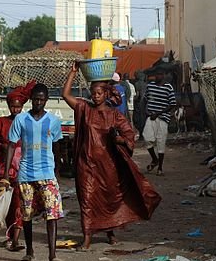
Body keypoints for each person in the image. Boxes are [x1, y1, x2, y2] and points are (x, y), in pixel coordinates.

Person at [62, 63, 162, 249]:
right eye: (93, 93)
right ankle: (87, 237)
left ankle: (110, 231)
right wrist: (73, 72)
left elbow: (129, 134)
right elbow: (66, 95)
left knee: (109, 198)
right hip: (87, 164)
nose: (95, 96)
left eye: (99, 93)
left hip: (108, 166)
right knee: (86, 199)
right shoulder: (85, 109)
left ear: (106, 94)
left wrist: (120, 140)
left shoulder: (115, 115)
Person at [2, 83, 65, 261]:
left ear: (46, 100)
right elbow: (11, 145)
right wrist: (6, 173)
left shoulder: (53, 121)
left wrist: (58, 172)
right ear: (31, 100)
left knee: (52, 214)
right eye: (35, 99)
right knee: (27, 215)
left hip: (47, 173)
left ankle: (52, 256)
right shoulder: (20, 120)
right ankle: (29, 251)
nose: (38, 103)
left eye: (41, 100)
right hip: (26, 174)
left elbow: (57, 147)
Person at [0, 82, 35, 252]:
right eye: (13, 107)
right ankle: (9, 235)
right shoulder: (0, 123)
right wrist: (1, 147)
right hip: (3, 170)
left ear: (23, 106)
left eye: (18, 107)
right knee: (6, 205)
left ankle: (15, 238)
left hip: (23, 169)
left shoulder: (28, 122)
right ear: (8, 106)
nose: (16, 110)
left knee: (20, 204)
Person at [143, 72, 176, 176]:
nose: (157, 76)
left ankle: (160, 167)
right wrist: (147, 111)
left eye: (160, 74)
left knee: (161, 142)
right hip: (150, 116)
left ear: (164, 75)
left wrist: (158, 113)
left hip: (162, 118)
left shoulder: (168, 87)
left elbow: (172, 104)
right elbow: (145, 99)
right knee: (147, 138)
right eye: (156, 74)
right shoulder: (150, 86)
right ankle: (154, 159)